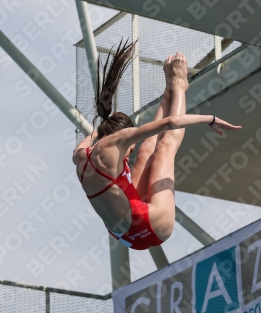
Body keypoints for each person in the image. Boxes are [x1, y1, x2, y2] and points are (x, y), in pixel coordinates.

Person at [73, 40, 241, 250]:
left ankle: (168, 92)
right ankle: (180, 86)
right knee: (164, 149)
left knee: (145, 150)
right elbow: (171, 123)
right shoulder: (115, 143)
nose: (129, 153)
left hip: (124, 233)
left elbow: (91, 140)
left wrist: (101, 128)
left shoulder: (81, 156)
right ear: (122, 138)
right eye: (129, 147)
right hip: (147, 227)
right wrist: (210, 118)